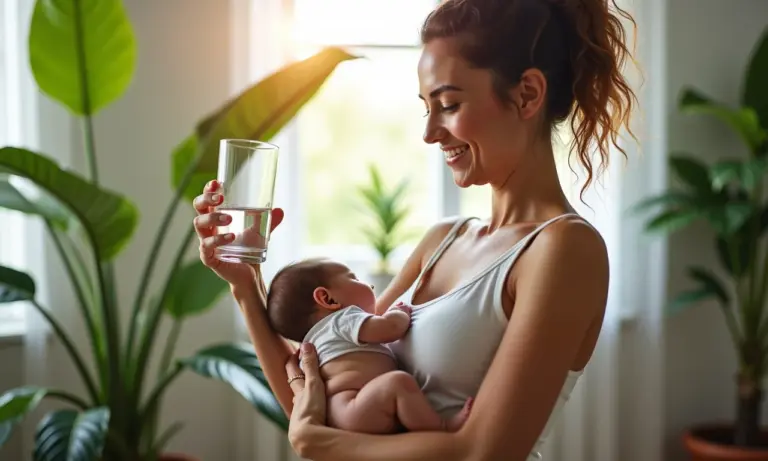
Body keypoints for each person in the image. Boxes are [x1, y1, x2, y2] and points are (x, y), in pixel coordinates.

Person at [192, 0, 637, 458]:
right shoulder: (443, 240)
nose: (429, 132)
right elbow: (331, 393)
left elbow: (481, 452)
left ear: (527, 94)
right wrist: (246, 288)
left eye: (448, 104)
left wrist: (320, 445)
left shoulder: (563, 249)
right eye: (426, 106)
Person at [265, 257, 473, 434]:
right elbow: (390, 329)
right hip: (353, 405)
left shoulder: (315, 342)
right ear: (327, 298)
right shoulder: (343, 319)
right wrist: (399, 313)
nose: (370, 285)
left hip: (342, 413)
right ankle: (442, 428)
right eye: (354, 278)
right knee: (399, 383)